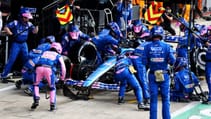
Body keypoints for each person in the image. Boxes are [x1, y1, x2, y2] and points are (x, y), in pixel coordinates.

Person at [142, 25, 176, 119]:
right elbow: (173, 61)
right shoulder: (167, 46)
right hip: (164, 74)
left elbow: (144, 62)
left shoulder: (147, 47)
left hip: (152, 75)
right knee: (165, 99)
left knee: (153, 100)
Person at [0, 7, 38, 83]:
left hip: (24, 44)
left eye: (28, 17)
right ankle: (3, 76)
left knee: (26, 60)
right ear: (21, 16)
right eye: (25, 17)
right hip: (16, 44)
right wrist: (10, 33)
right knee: (11, 60)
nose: (27, 19)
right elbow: (6, 27)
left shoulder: (29, 24)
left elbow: (34, 32)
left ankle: (27, 76)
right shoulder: (15, 23)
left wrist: (36, 27)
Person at [31, 42, 66, 111]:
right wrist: (62, 78)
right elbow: (63, 67)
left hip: (39, 68)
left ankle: (36, 99)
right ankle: (52, 104)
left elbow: (36, 60)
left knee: (36, 85)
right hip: (49, 69)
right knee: (52, 88)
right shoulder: (58, 56)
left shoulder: (44, 52)